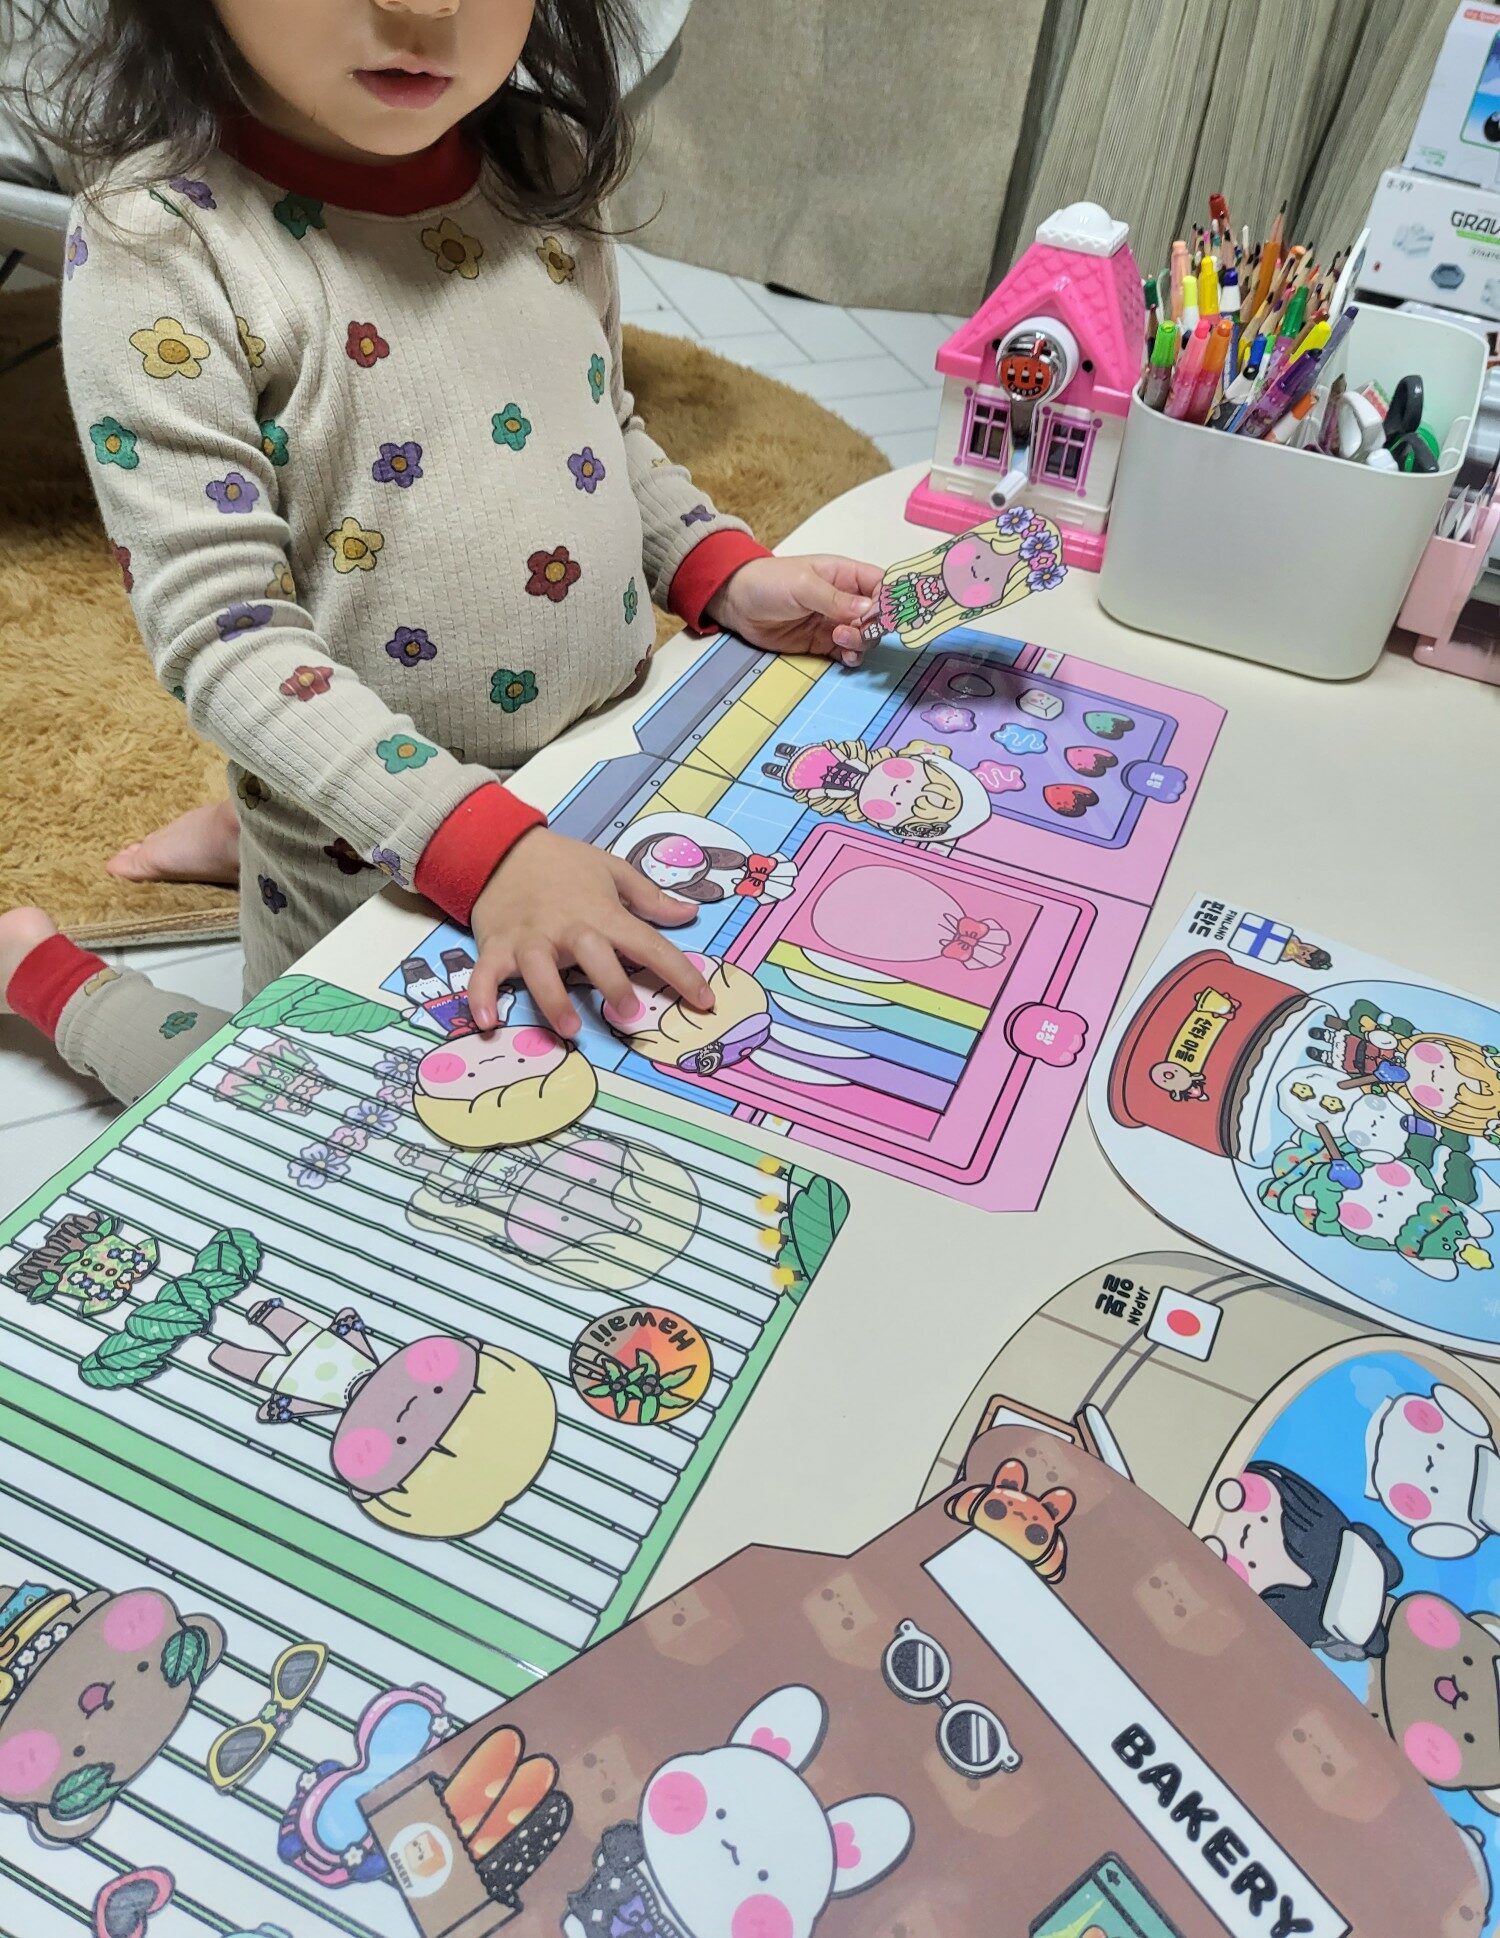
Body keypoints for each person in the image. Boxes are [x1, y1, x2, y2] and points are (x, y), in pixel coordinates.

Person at [0, 0, 883, 1104]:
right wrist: (487, 850)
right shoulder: (157, 242)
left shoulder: (543, 160)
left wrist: (723, 568)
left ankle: (239, 827)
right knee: (294, 1112)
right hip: (373, 847)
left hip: (597, 783)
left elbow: (602, 427)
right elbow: (227, 639)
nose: (425, 8)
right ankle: (46, 973)